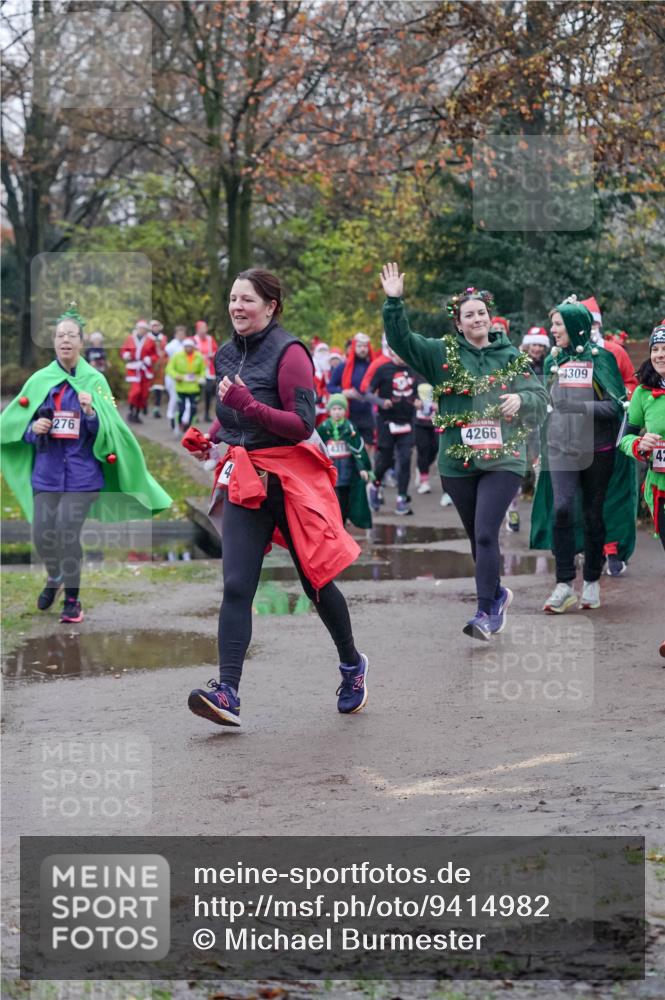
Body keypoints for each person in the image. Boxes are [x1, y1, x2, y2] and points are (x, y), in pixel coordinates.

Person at [187, 268, 368, 728]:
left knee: (316, 582)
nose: (237, 307)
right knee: (236, 586)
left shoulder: (290, 355)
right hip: (246, 480)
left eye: (247, 300)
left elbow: (302, 424)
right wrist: (211, 439)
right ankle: (227, 692)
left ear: (271, 306)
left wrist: (249, 406)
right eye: (232, 299)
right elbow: (232, 416)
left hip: (289, 480)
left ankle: (352, 666)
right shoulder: (225, 354)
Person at [380, 263, 548, 640]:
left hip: (503, 459)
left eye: (481, 313)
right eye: (469, 315)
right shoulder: (441, 354)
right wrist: (394, 303)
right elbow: (403, 341)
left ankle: (485, 611)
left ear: (491, 318)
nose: (476, 319)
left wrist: (520, 400)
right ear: (458, 322)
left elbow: (540, 396)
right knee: (477, 537)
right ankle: (498, 593)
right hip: (457, 461)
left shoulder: (510, 357)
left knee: (487, 533)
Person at [0, 305, 171, 623]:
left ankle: (73, 601)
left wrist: (91, 414)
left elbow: (111, 427)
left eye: (71, 336)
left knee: (66, 532)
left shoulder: (97, 382)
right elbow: (16, 422)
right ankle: (55, 577)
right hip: (47, 474)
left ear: (81, 343)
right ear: (54, 342)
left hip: (83, 476)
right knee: (41, 536)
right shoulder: (40, 381)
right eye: (60, 335)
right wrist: (31, 430)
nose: (65, 340)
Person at [530, 297, 636, 613]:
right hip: (561, 449)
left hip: (597, 450)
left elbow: (615, 407)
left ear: (576, 326)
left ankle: (591, 579)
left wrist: (579, 407)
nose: (553, 330)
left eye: (558, 324)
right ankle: (563, 584)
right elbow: (547, 405)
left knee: (592, 514)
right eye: (553, 324)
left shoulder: (601, 359)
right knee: (562, 509)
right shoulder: (552, 361)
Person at [619, 325, 665, 655]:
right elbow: (624, 437)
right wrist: (640, 444)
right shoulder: (643, 393)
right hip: (661, 489)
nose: (661, 355)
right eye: (656, 349)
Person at [505, 326, 551, 530]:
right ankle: (512, 511)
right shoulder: (516, 364)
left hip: (541, 426)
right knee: (516, 470)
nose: (538, 348)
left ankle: (540, 517)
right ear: (527, 345)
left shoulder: (549, 366)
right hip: (517, 424)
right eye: (534, 344)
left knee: (540, 470)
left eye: (541, 345)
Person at [367, 346, 420, 516]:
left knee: (405, 460)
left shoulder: (414, 370)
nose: (401, 357)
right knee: (385, 459)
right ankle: (374, 485)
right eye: (398, 353)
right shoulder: (383, 370)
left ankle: (401, 499)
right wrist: (381, 402)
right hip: (386, 422)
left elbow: (424, 391)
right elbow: (367, 394)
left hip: (407, 423)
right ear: (391, 353)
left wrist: (421, 401)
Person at [318, 393, 373, 529]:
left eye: (340, 409)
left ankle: (344, 522)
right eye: (334, 409)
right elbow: (316, 449)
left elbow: (358, 450)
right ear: (329, 410)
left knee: (348, 499)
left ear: (345, 410)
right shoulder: (324, 428)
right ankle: (338, 525)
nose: (337, 412)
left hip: (348, 471)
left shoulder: (350, 428)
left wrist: (362, 468)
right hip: (332, 472)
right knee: (335, 500)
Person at [327, 332, 376, 448]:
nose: (363, 349)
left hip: (368, 412)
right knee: (350, 447)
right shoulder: (343, 367)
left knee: (368, 446)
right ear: (354, 347)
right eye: (359, 346)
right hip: (349, 412)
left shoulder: (373, 366)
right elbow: (330, 386)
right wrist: (344, 392)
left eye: (365, 346)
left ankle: (366, 466)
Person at [120, 319, 159, 424]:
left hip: (144, 368)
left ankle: (136, 414)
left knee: (143, 393)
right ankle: (130, 410)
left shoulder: (150, 341)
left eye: (144, 329)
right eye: (140, 328)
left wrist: (150, 359)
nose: (142, 331)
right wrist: (126, 355)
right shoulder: (130, 339)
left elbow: (155, 355)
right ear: (137, 329)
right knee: (135, 391)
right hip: (133, 367)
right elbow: (124, 350)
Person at [165, 337, 207, 430]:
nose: (188, 348)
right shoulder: (177, 356)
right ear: (183, 347)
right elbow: (169, 368)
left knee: (193, 409)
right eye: (186, 346)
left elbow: (203, 370)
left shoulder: (198, 356)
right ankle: (178, 423)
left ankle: (188, 426)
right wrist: (176, 376)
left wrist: (202, 378)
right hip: (181, 387)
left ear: (193, 347)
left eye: (190, 346)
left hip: (194, 387)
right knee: (182, 408)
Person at [414, 383, 439, 495]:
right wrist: (414, 402)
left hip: (436, 421)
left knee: (435, 449)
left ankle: (421, 468)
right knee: (423, 449)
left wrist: (439, 404)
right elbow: (408, 394)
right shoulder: (415, 374)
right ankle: (424, 482)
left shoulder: (437, 374)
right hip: (419, 422)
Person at [193, 320, 218, 422]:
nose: (203, 331)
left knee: (208, 391)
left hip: (208, 369)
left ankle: (207, 414)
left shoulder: (210, 339)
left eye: (205, 328)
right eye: (201, 328)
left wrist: (212, 355)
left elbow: (216, 351)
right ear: (197, 329)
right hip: (196, 370)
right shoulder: (193, 340)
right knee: (196, 393)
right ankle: (194, 414)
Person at [165, 325, 186, 431]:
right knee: (174, 397)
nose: (181, 335)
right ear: (176, 334)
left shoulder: (186, 345)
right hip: (173, 376)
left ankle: (181, 419)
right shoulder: (171, 346)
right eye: (179, 333)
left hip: (182, 376)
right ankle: (171, 416)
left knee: (182, 399)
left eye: (183, 333)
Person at [149, 320, 167, 418]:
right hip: (148, 366)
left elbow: (165, 350)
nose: (155, 328)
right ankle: (143, 407)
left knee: (158, 388)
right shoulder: (147, 338)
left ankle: (157, 408)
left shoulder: (163, 338)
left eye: (157, 326)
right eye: (153, 326)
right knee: (147, 388)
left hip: (160, 365)